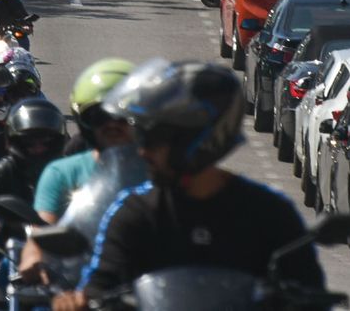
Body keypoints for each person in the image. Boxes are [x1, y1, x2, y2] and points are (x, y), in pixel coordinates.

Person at [49, 60, 324, 311]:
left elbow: (311, 293)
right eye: (142, 139)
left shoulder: (270, 214)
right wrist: (78, 302)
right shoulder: (134, 213)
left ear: (195, 140)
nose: (143, 152)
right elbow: (101, 283)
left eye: (154, 140)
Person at [33, 59, 136, 223]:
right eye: (99, 116)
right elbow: (39, 238)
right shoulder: (60, 174)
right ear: (83, 120)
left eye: (121, 114)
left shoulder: (161, 172)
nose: (112, 124)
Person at [0, 99, 67, 204]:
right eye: (29, 142)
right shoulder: (4, 170)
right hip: (16, 219)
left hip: (64, 220)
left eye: (46, 141)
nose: (38, 148)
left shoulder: (67, 169)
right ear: (16, 142)